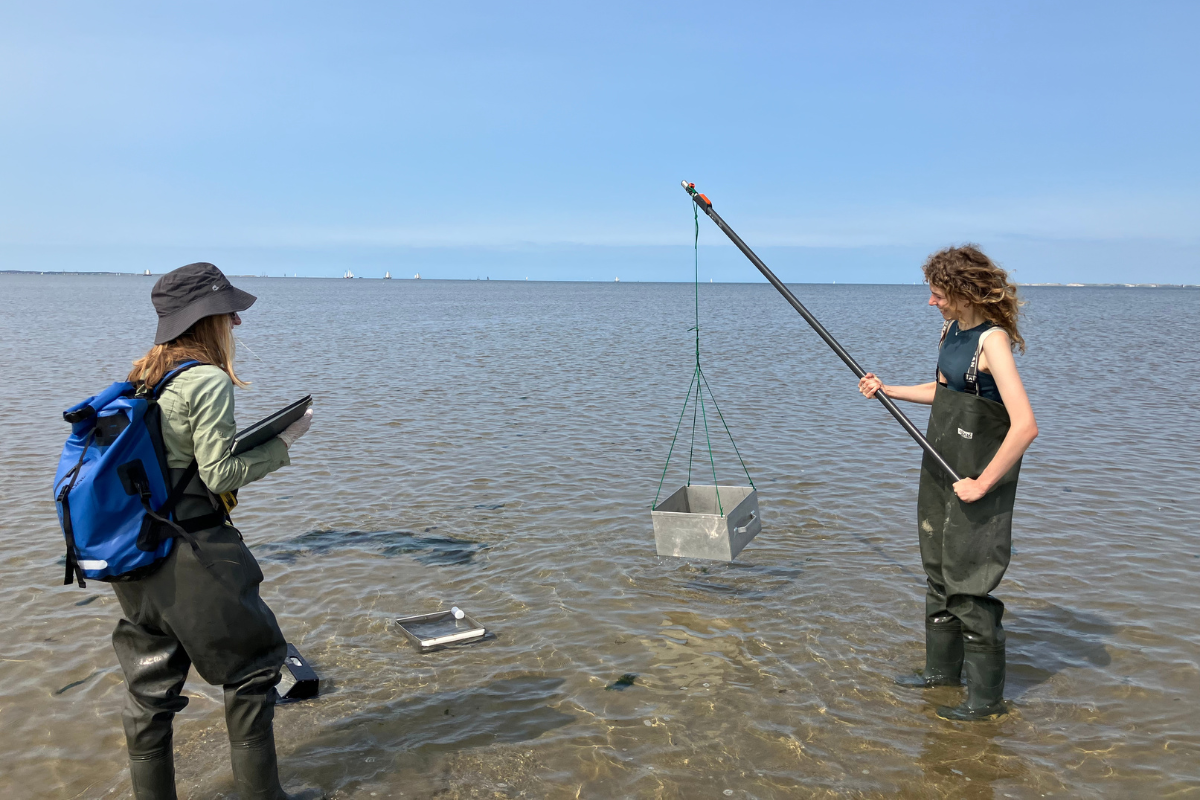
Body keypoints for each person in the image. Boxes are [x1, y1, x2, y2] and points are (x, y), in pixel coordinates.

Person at [112, 262, 320, 798]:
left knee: (149, 695)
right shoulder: (205, 380)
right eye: (230, 312)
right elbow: (219, 474)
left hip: (134, 557)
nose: (237, 324)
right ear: (206, 318)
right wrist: (283, 443)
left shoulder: (142, 378)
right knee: (253, 673)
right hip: (195, 553)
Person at [858, 245, 1038, 721]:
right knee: (938, 571)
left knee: (970, 582)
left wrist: (982, 485)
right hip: (941, 465)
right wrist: (888, 388)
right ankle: (940, 677)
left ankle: (986, 703)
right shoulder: (952, 330)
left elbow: (1024, 426)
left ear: (962, 291)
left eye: (938, 294)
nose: (931, 302)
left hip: (980, 474)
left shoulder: (991, 341)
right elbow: (943, 393)